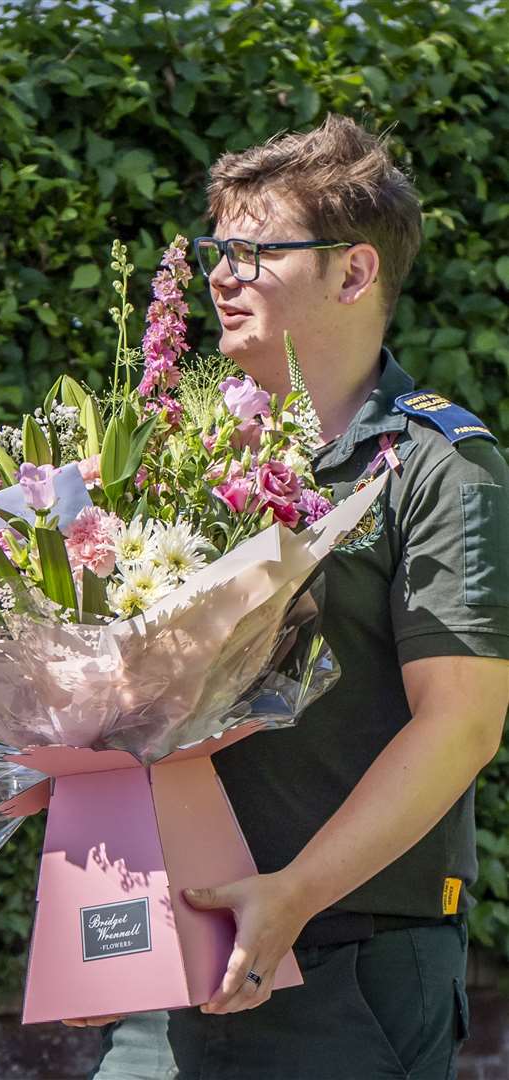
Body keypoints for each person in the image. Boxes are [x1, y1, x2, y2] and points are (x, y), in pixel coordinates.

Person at [89, 115, 509, 1079]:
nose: (221, 276)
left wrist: (292, 894)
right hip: (173, 964)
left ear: (354, 273)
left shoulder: (438, 466)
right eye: (215, 252)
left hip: (346, 965)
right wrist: (92, 929)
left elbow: (461, 725)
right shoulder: (175, 461)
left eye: (253, 250)